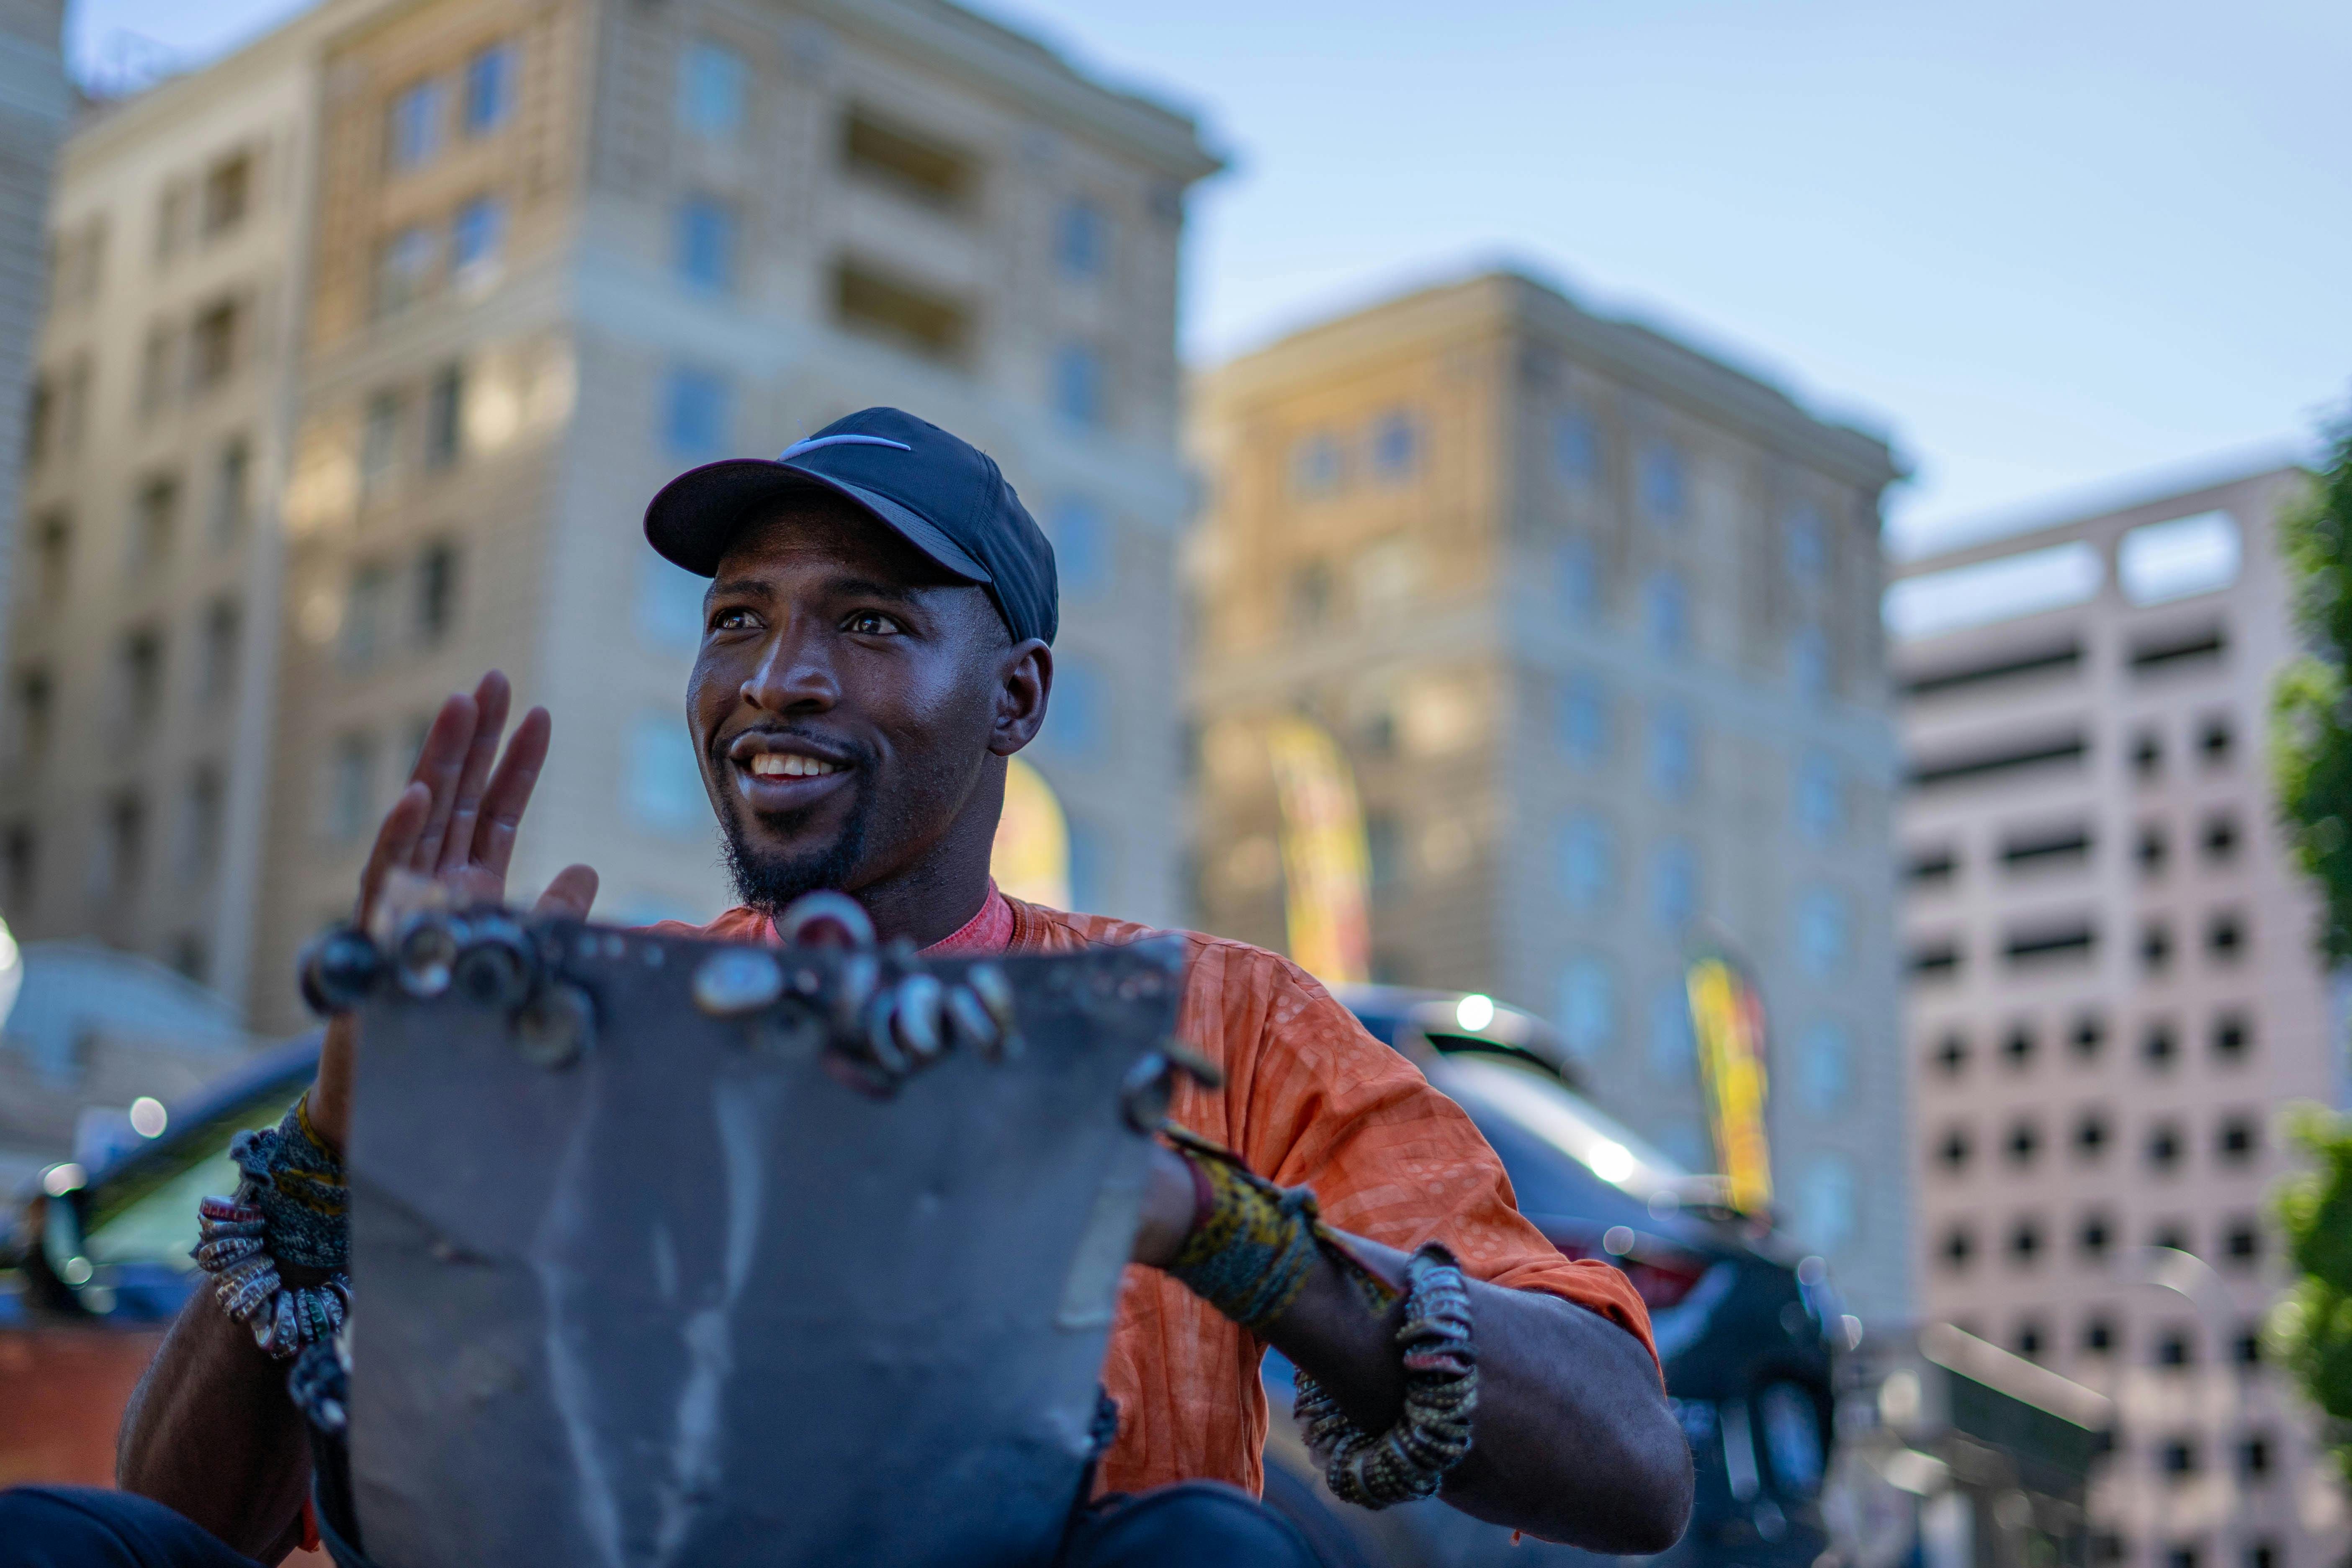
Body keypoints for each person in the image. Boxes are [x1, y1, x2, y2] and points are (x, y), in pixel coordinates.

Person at [2, 409, 1693, 1567]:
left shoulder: (1212, 1025)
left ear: (1015, 695)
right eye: (738, 619)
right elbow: (202, 1524)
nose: (778, 679)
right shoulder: (575, 1021)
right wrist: (347, 1126)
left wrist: (1215, 1225)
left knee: (1207, 1546)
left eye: (869, 622)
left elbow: (1628, 1466)